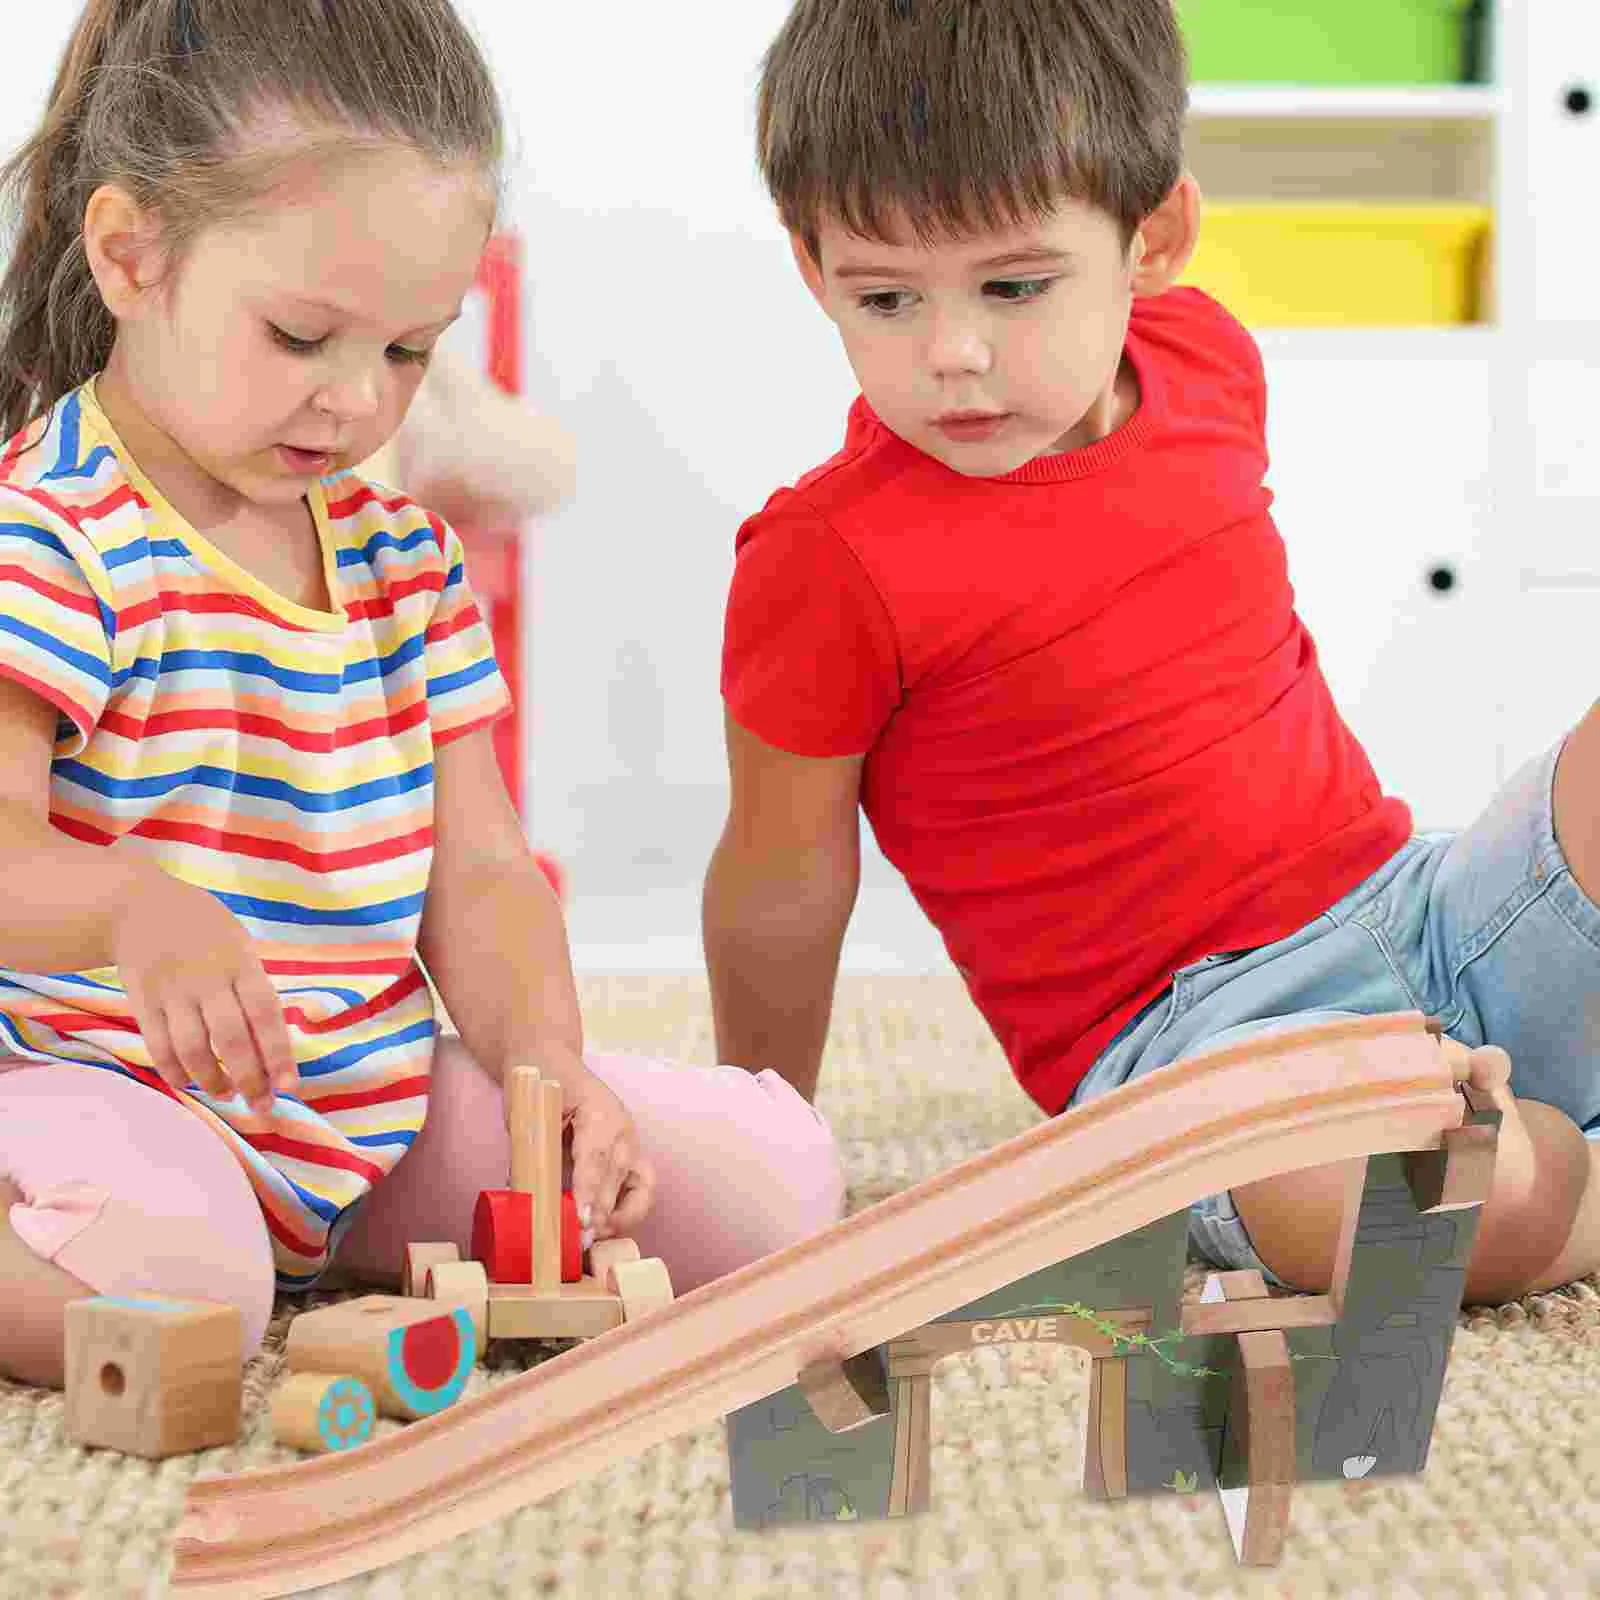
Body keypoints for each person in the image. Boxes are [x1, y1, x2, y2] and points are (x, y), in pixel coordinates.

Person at [0, 0, 843, 1393]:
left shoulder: (404, 561)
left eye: (405, 352)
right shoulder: (52, 531)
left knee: (774, 1184)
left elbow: (484, 872)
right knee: (182, 1280)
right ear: (131, 257)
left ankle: (305, 1234)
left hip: (357, 1104)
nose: (353, 403)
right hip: (101, 1092)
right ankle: (207, 1240)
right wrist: (129, 905)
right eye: (300, 334)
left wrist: (549, 1071)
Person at [704, 0, 1600, 1307]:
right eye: (886, 297)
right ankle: (1552, 1185)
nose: (952, 354)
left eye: (1016, 285)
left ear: (1154, 240)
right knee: (1397, 1202)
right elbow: (782, 876)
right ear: (809, 265)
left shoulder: (1205, 361)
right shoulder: (826, 562)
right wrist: (761, 1141)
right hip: (1189, 1052)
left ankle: (1533, 1133)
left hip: (1424, 909)